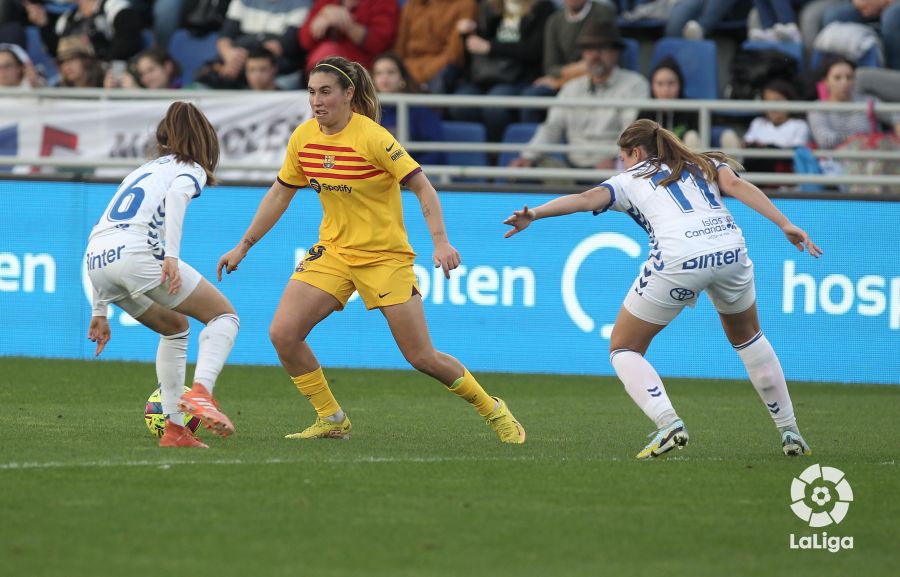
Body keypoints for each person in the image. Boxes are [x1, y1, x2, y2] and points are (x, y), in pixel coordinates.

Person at [216, 56, 525, 444]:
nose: (317, 101)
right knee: (283, 333)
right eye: (311, 92)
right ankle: (331, 417)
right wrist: (243, 246)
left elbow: (423, 187)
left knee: (421, 357)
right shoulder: (303, 137)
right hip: (333, 252)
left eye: (325, 92)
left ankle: (494, 410)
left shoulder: (374, 138)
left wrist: (440, 241)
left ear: (349, 94)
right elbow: (281, 193)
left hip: (384, 257)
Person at [503, 118, 821, 459]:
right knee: (749, 338)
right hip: (731, 249)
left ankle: (669, 423)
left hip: (679, 258)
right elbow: (741, 189)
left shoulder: (627, 180)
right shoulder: (703, 163)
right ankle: (790, 432)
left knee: (624, 347)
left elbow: (584, 199)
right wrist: (784, 223)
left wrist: (534, 214)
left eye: (623, 156)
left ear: (636, 152)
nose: (621, 164)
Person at [86, 101, 240, 449]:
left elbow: (101, 229)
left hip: (97, 259)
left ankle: (174, 431)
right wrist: (170, 255)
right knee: (224, 316)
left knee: (175, 328)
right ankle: (201, 392)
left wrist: (99, 309)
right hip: (138, 252)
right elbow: (177, 196)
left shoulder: (143, 170)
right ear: (206, 140)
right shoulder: (190, 167)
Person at [508, 20, 649, 170]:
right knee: (527, 171)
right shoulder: (571, 87)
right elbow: (552, 127)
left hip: (612, 169)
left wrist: (616, 158)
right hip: (571, 168)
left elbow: (631, 133)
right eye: (588, 49)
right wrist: (528, 156)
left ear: (615, 52)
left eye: (602, 48)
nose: (594, 55)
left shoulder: (635, 84)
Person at [372, 52, 445, 165]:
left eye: (391, 72)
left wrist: (410, 173)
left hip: (415, 176)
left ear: (402, 78)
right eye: (379, 73)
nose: (384, 77)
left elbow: (436, 153)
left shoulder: (421, 109)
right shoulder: (366, 111)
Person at [638, 56, 700, 148]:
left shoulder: (693, 110)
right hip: (655, 161)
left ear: (680, 84)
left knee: (692, 137)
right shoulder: (645, 113)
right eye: (660, 83)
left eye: (671, 83)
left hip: (686, 160)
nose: (666, 89)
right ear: (652, 86)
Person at [103, 47, 183, 89]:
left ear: (167, 67)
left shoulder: (188, 93)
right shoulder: (145, 91)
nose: (145, 79)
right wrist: (107, 94)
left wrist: (136, 94)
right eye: (142, 74)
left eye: (150, 70)